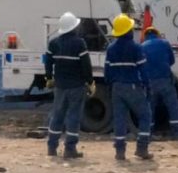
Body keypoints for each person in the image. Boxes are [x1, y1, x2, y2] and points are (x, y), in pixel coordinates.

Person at [43, 11, 94, 159]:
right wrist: (90, 82)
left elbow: (48, 62)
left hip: (60, 86)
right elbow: (86, 65)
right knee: (73, 116)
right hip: (76, 86)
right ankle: (70, 149)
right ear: (73, 27)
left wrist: (49, 77)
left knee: (57, 115)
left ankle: (52, 147)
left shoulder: (53, 43)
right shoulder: (79, 43)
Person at [104, 13, 153, 161]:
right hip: (132, 86)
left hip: (116, 87)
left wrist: (111, 85)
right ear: (128, 31)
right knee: (145, 115)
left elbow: (107, 71)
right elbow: (143, 70)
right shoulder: (136, 48)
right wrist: (147, 86)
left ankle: (120, 152)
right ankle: (142, 148)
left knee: (119, 119)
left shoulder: (110, 49)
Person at [142, 26, 178, 139]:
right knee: (172, 106)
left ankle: (149, 133)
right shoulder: (165, 43)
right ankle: (177, 133)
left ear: (145, 36)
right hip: (165, 80)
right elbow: (172, 60)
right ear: (157, 34)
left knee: (150, 107)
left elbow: (141, 64)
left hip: (150, 82)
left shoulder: (142, 46)